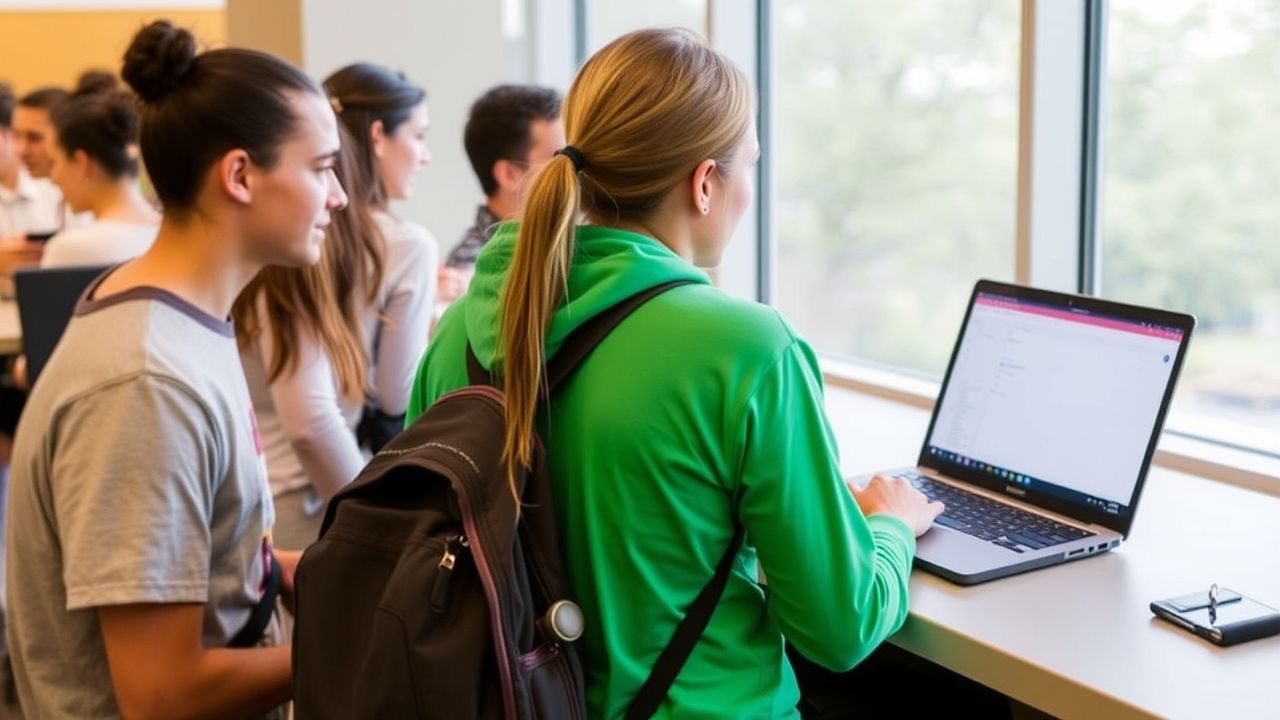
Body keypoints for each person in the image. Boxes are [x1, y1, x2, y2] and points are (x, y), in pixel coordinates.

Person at [406, 29, 942, 718]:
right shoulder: (746, 348)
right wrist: (891, 527)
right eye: (748, 166)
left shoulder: (460, 333)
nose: (750, 189)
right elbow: (839, 629)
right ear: (705, 182)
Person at [4, 19, 346, 719]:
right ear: (241, 176)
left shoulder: (183, 319)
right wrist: (357, 645)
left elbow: (211, 558)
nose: (338, 196)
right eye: (320, 168)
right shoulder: (145, 384)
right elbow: (160, 693)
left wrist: (312, 574)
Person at [234, 63, 435, 552]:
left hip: (267, 496)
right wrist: (382, 527)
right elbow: (383, 399)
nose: (425, 156)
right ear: (378, 135)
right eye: (419, 135)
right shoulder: (392, 245)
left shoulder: (303, 239)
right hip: (307, 506)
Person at [440, 84, 563, 299]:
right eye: (558, 158)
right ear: (509, 174)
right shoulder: (471, 273)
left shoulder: (567, 243)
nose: (574, 167)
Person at [41, 74, 158, 267]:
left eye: (54, 162)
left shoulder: (69, 249)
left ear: (81, 162)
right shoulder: (171, 232)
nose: (53, 179)